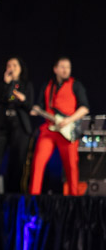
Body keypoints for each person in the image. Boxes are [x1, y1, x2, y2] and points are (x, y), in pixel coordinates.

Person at [29, 57, 90, 195]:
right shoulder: (47, 86)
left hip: (67, 130)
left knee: (71, 166)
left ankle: (74, 199)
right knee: (38, 162)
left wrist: (69, 120)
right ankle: (33, 197)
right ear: (55, 69)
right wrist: (35, 109)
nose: (65, 70)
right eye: (62, 67)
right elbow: (39, 106)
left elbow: (84, 108)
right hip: (49, 129)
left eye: (68, 67)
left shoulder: (76, 85)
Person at [0, 57, 34, 193]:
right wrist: (7, 84)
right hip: (3, 125)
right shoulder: (1, 84)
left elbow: (29, 106)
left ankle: (13, 194)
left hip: (20, 126)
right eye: (9, 65)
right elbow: (0, 100)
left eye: (15, 65)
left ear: (20, 68)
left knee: (17, 162)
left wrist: (23, 99)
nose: (12, 68)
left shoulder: (26, 85)